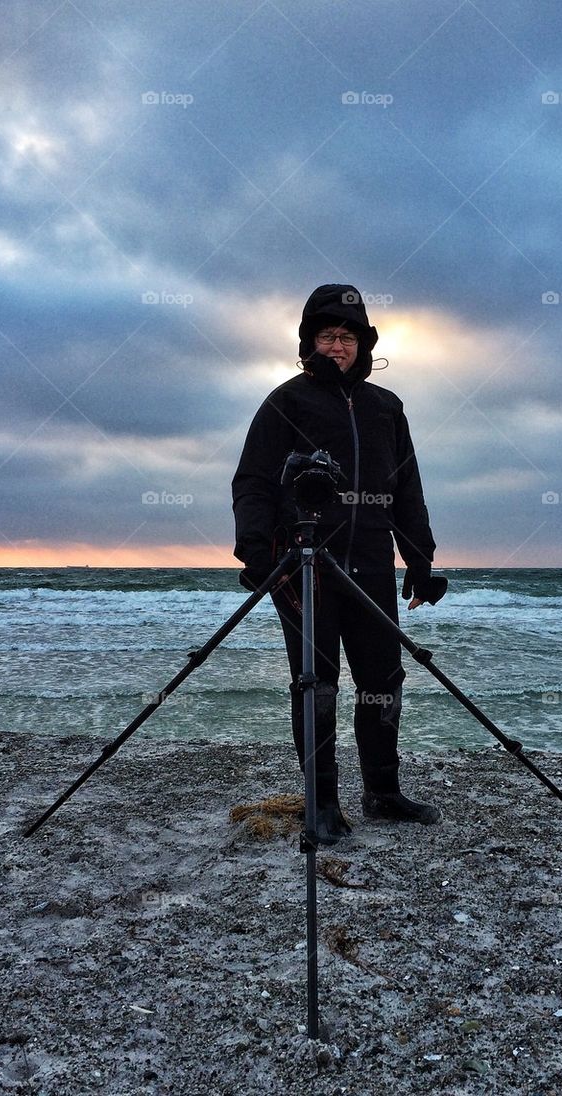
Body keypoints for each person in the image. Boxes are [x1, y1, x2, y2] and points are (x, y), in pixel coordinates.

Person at [231, 284, 448, 845]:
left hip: (372, 566)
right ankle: (322, 803)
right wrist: (257, 557)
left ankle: (382, 792)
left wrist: (419, 563)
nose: (337, 346)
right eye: (327, 336)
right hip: (306, 569)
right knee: (315, 685)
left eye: (347, 337)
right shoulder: (286, 401)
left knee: (383, 681)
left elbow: (408, 492)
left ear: (363, 344)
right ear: (310, 343)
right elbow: (252, 484)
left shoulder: (386, 408)